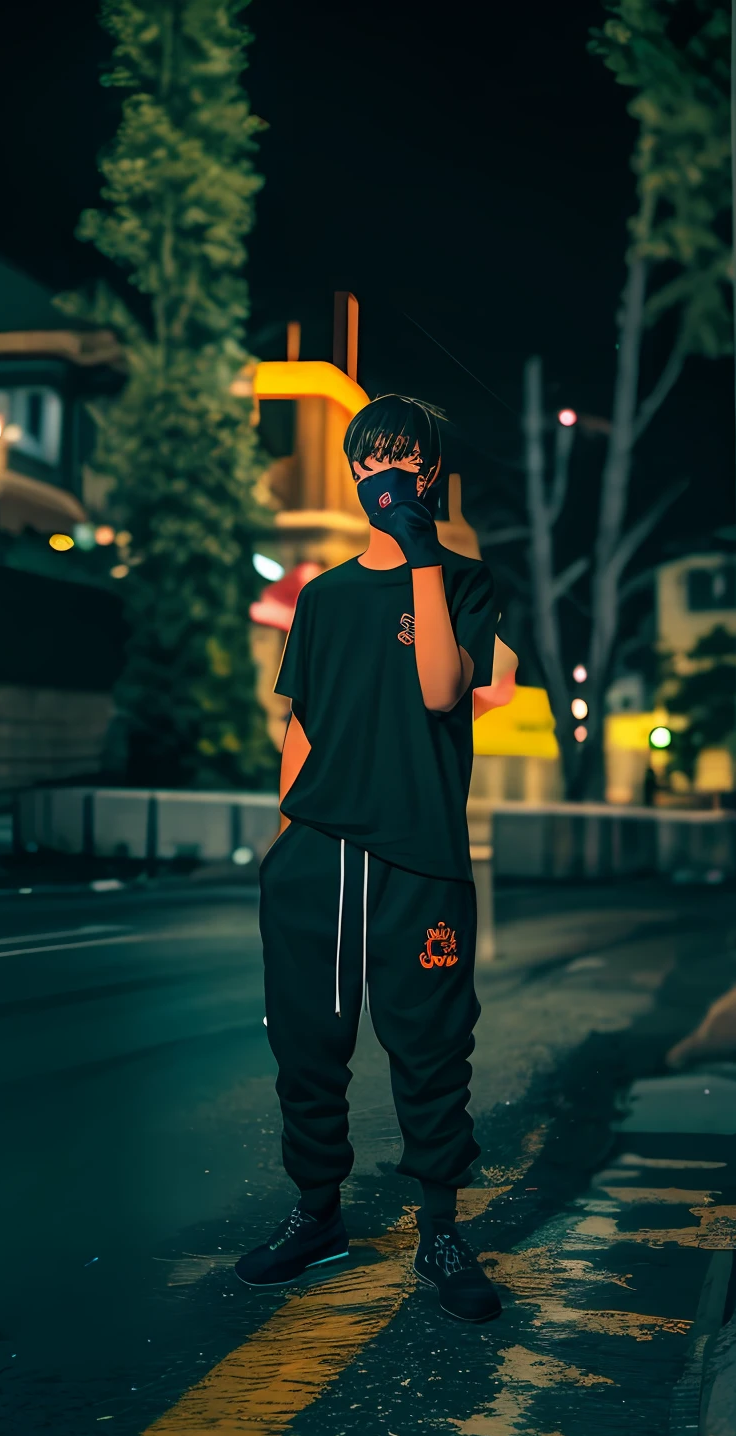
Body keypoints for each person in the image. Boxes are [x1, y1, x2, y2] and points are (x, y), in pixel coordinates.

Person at [235, 395, 517, 1322]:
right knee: (308, 1049)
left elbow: (443, 687)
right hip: (319, 854)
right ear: (353, 474)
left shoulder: (467, 584)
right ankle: (318, 1213)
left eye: (403, 460)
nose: (382, 474)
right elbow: (304, 724)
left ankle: (440, 1227)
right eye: (369, 460)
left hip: (419, 857)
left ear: (432, 475)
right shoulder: (322, 596)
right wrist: (284, 844)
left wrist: (424, 553)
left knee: (432, 1050)